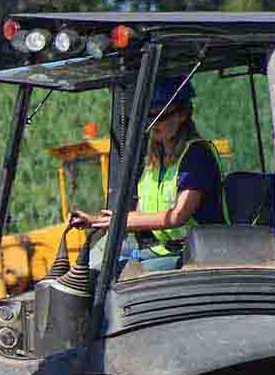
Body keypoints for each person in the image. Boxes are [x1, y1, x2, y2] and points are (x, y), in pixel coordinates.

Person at [74, 76, 223, 273]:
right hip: (170, 251)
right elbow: (141, 215)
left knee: (121, 275)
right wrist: (96, 221)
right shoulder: (155, 160)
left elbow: (176, 217)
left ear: (183, 114)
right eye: (149, 117)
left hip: (205, 254)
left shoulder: (196, 156)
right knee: (95, 269)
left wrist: (120, 221)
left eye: (160, 115)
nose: (153, 123)